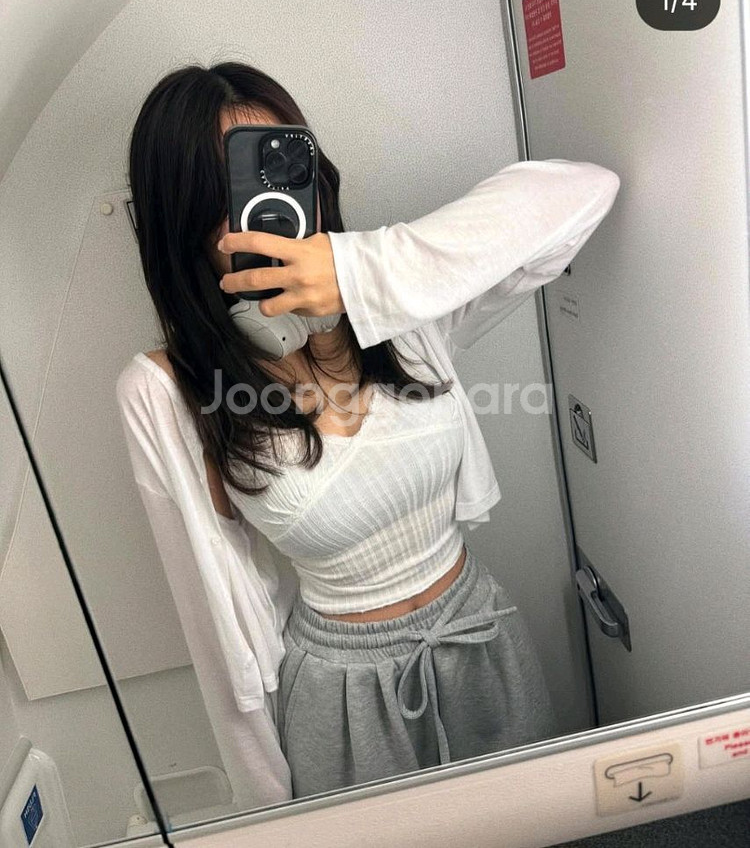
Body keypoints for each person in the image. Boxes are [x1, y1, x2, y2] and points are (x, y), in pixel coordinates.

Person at [117, 61, 621, 802]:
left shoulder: (401, 310)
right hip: (343, 706)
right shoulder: (163, 392)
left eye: (280, 169)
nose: (265, 207)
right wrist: (272, 817)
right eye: (228, 187)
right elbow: (220, 632)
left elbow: (585, 193)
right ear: (182, 212)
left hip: (482, 641)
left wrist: (360, 273)